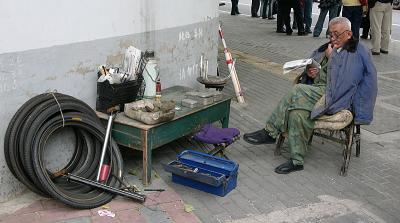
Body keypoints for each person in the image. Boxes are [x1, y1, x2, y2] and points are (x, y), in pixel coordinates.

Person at [243, 17, 377, 174]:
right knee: (297, 113)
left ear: (349, 34)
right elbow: (325, 77)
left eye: (336, 34)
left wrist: (331, 57)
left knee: (297, 90)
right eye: (330, 34)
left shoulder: (357, 51)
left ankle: (271, 132)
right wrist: (312, 73)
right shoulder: (334, 47)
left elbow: (343, 83)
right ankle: (296, 161)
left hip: (340, 98)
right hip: (323, 91)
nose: (332, 38)